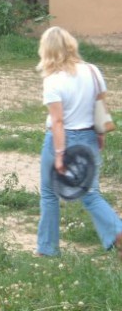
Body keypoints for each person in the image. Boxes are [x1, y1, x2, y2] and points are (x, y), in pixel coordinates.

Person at [35, 26, 122, 257]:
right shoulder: (93, 70)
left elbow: (58, 121)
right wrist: (100, 135)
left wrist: (60, 154)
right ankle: (117, 231)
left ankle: (47, 248)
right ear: (71, 45)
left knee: (49, 193)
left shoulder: (53, 81)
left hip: (63, 140)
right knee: (90, 193)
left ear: (47, 51)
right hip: (89, 137)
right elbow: (99, 105)